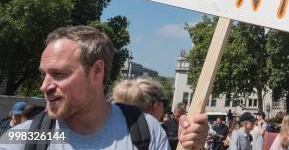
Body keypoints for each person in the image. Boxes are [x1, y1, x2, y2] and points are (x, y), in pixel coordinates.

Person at [0, 25, 209, 150]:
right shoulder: (23, 139)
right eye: (43, 74)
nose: (44, 86)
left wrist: (192, 147)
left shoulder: (145, 131)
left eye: (59, 74)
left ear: (97, 71)